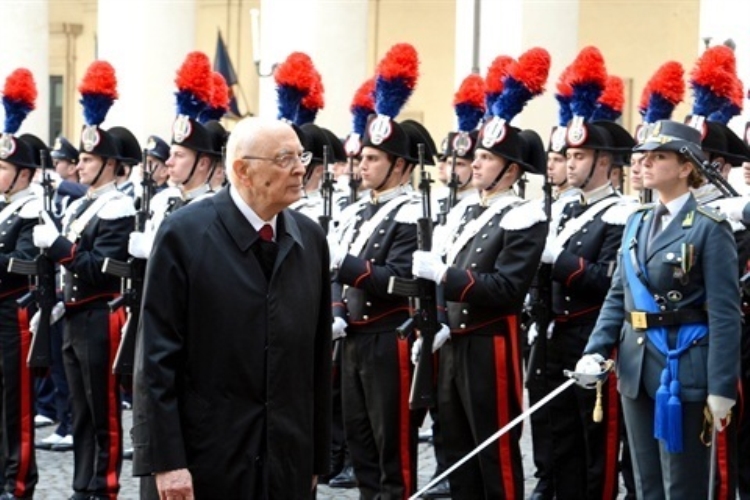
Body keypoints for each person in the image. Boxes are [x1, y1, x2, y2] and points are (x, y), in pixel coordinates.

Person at [132, 117, 332, 498]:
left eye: (301, 156)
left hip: (285, 459)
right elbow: (156, 360)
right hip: (206, 462)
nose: (300, 169)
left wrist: (315, 458)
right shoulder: (184, 234)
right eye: (285, 158)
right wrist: (167, 462)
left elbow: (317, 362)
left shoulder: (310, 239)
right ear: (243, 170)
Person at [576, 119, 741, 498]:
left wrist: (721, 386)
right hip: (636, 367)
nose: (645, 163)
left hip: (683, 369)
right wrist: (595, 349)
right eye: (644, 156)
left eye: (659, 156)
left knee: (682, 484)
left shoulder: (709, 227)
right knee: (646, 482)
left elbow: (725, 314)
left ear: (686, 168)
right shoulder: (636, 222)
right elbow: (619, 294)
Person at [33, 61, 135, 500]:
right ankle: (81, 484)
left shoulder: (117, 208)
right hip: (73, 315)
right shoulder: (81, 206)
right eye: (82, 158)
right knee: (78, 408)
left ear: (110, 164)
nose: (81, 165)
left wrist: (58, 246)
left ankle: (103, 485)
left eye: (90, 159)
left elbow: (100, 268)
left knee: (103, 408)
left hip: (99, 315)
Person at [0, 101, 47, 497]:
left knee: (17, 405)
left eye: (3, 168)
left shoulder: (32, 211)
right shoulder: (5, 209)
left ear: (24, 174)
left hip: (13, 316)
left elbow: (27, 264)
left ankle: (17, 484)